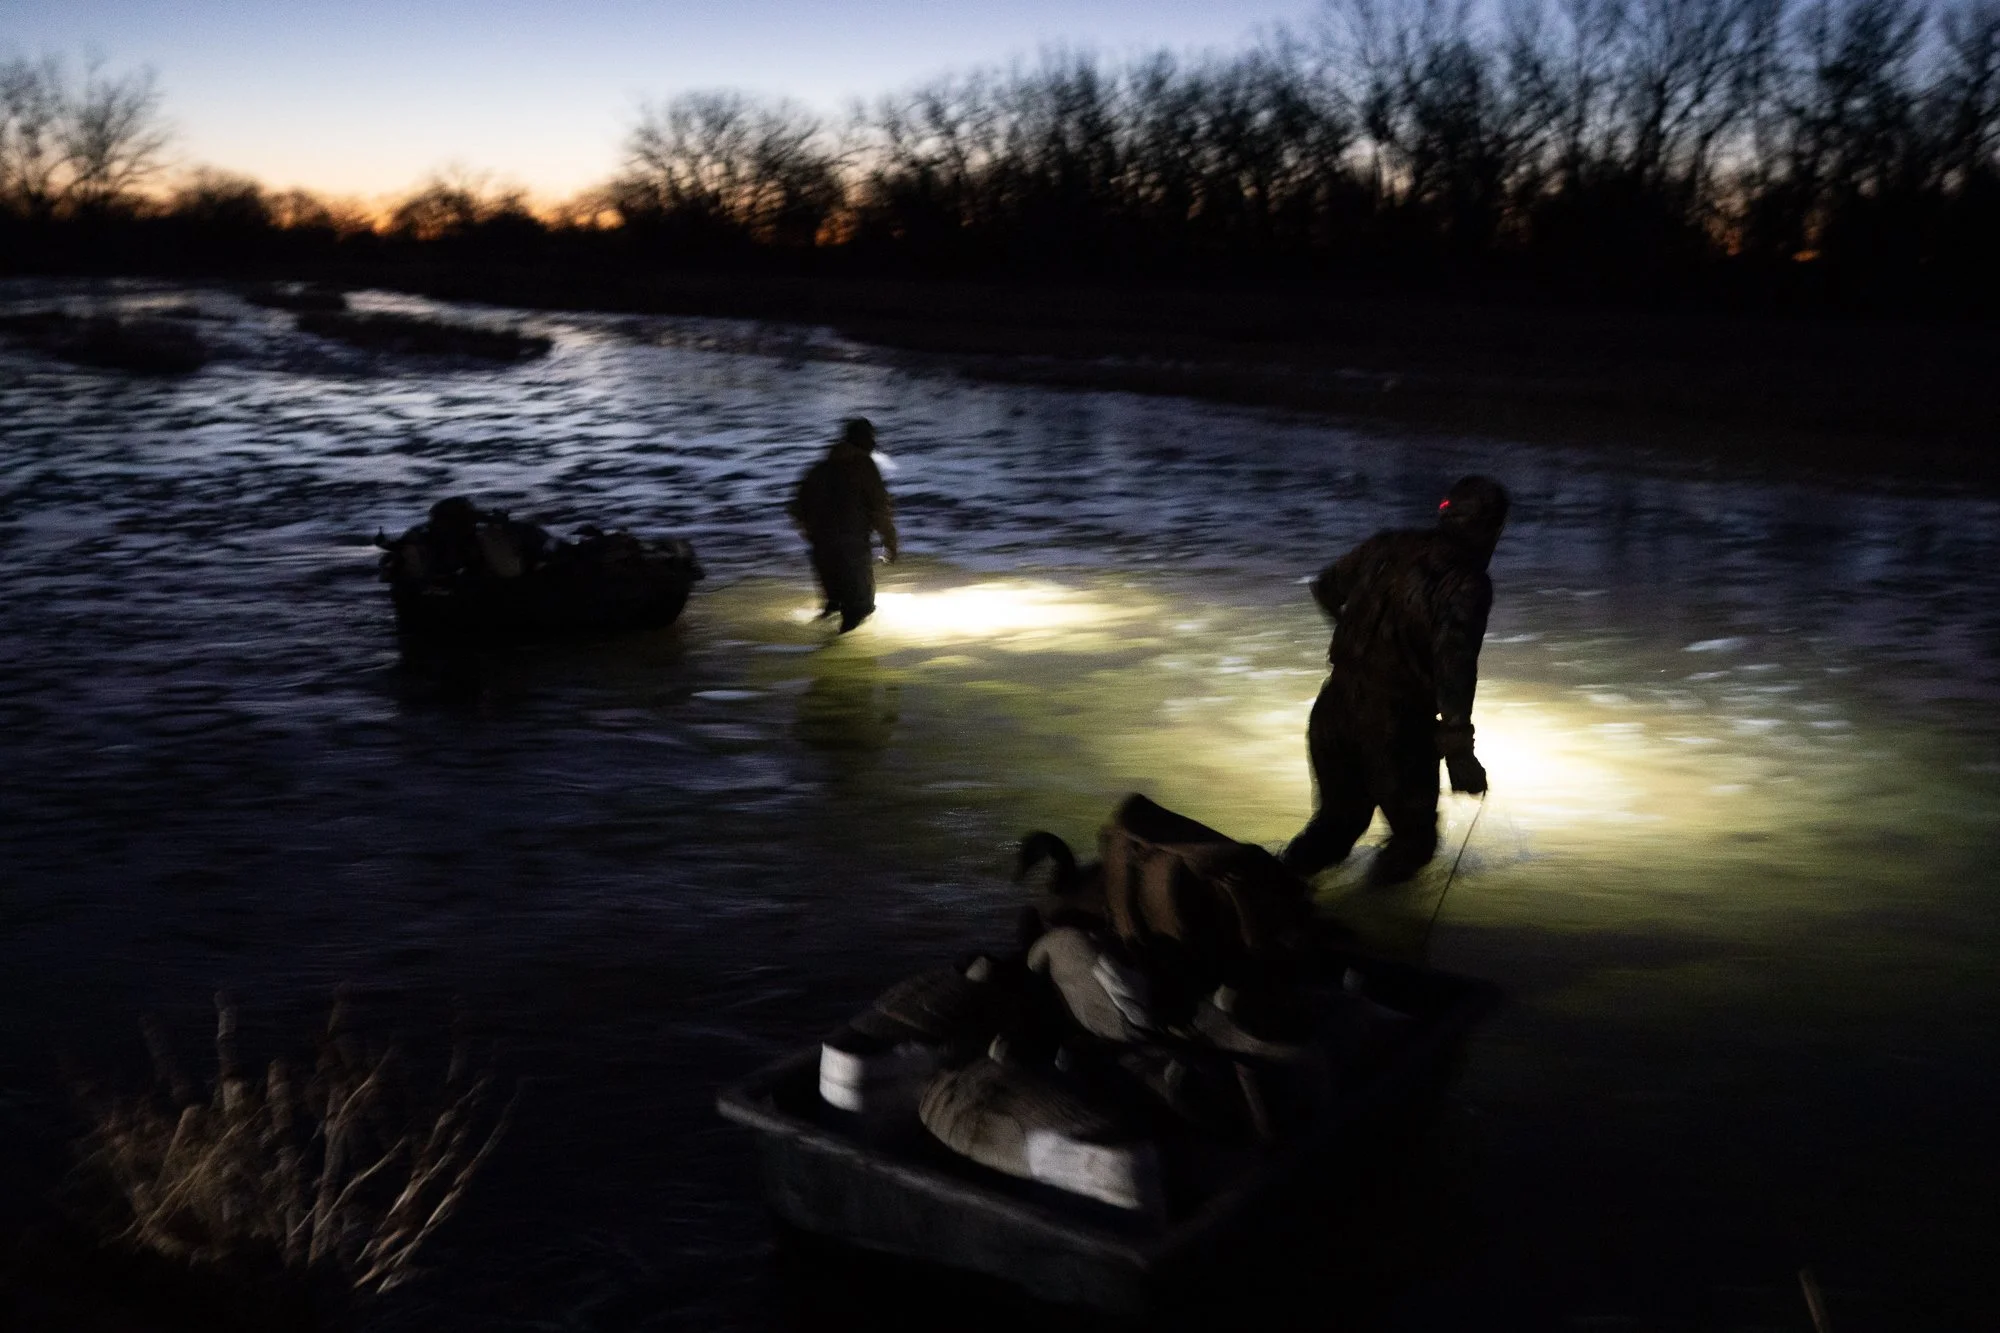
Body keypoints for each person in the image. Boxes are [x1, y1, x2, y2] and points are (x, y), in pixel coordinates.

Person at [1282, 476, 1510, 886]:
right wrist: (1459, 750)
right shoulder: (1466, 581)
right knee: (1415, 841)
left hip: (1335, 705)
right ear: (1491, 529)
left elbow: (1326, 588)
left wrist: (1361, 641)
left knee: (1336, 826)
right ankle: (1373, 923)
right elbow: (1454, 662)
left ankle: (1268, 893)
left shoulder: (1387, 546)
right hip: (1395, 724)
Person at [788, 417, 899, 632]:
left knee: (834, 608)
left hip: (822, 553)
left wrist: (814, 535)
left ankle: (818, 651)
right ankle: (834, 658)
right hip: (852, 552)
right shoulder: (864, 467)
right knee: (859, 612)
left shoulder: (819, 469)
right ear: (866, 441)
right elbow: (880, 510)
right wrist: (890, 544)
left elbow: (796, 508)